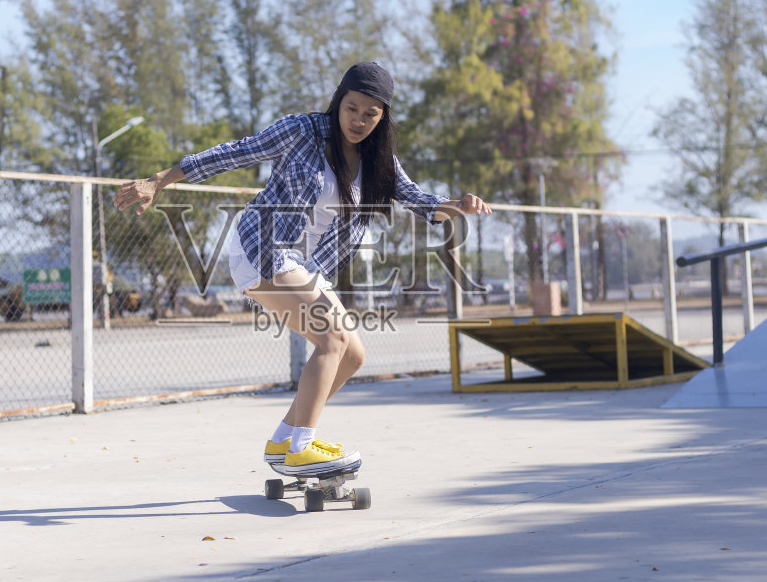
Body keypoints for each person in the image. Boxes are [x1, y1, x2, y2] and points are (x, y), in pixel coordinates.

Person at [112, 61, 491, 479]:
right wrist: (158, 181)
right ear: (339, 102)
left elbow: (418, 200)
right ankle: (301, 447)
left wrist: (460, 205)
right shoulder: (302, 130)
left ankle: (284, 439)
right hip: (263, 246)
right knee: (330, 337)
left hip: (305, 265)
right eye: (352, 108)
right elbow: (235, 153)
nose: (359, 121)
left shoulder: (380, 160)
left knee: (352, 353)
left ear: (383, 118)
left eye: (370, 114)